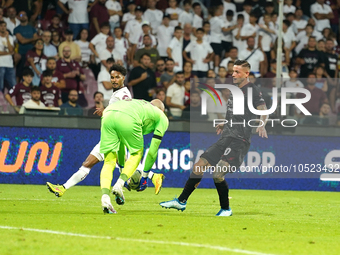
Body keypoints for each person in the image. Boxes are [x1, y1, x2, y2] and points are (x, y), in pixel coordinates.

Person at [160, 59, 269, 216]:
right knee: (199, 165)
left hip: (240, 140)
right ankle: (181, 201)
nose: (233, 74)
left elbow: (263, 109)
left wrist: (262, 124)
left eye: (237, 72)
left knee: (218, 174)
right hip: (226, 137)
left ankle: (226, 209)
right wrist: (225, 124)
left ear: (247, 74)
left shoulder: (252, 90)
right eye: (233, 71)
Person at [99, 98, 169, 213]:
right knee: (137, 153)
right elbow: (152, 152)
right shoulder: (161, 117)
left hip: (108, 113)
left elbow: (121, 146)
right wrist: (145, 177)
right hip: (127, 117)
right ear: (162, 110)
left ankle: (105, 198)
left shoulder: (140, 107)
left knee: (109, 161)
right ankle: (119, 184)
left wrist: (122, 170)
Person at [0, 20, 16, 91]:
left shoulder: (10, 37)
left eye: (4, 26)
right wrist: (8, 53)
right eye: (1, 26)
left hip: (9, 64)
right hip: (0, 64)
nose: (3, 28)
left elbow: (11, 50)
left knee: (13, 85)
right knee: (1, 86)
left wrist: (7, 38)